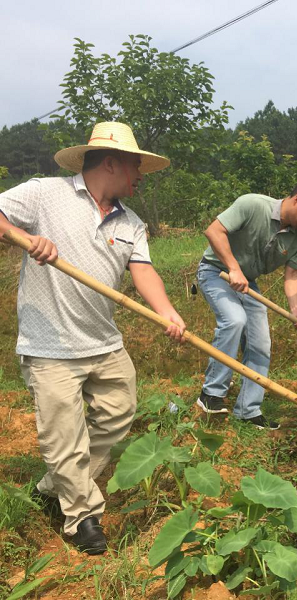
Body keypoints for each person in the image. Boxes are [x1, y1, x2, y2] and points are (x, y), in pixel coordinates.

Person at [0, 122, 185, 555]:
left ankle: (57, 482)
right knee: (64, 435)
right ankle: (82, 515)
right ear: (111, 163)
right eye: (136, 167)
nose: (141, 176)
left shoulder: (132, 222)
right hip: (51, 346)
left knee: (120, 410)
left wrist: (167, 312)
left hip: (103, 342)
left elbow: (142, 270)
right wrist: (27, 240)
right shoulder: (45, 193)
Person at [196, 181, 297, 429]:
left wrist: (296, 310)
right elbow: (213, 231)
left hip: (247, 283)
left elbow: (292, 275)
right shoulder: (252, 204)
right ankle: (211, 394)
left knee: (261, 343)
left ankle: (248, 409)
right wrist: (233, 268)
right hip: (217, 272)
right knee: (234, 320)